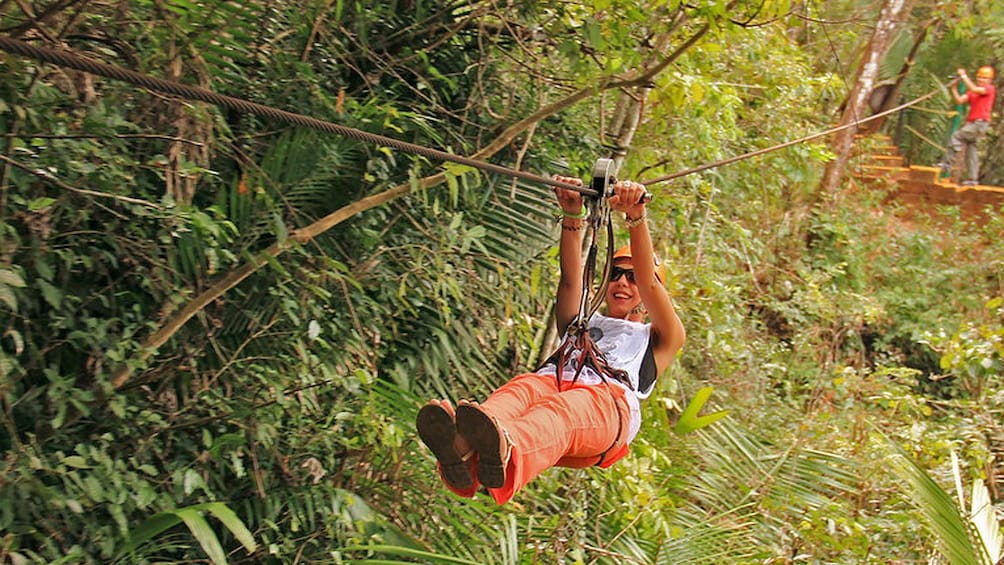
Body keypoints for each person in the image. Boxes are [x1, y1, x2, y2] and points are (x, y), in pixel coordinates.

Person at [415, 176, 686, 505]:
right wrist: (572, 215)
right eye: (615, 273)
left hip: (605, 408)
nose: (622, 282)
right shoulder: (583, 324)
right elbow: (571, 280)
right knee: (525, 388)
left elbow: (651, 283)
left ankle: (509, 447)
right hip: (556, 384)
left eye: (631, 276)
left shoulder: (661, 337)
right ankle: (463, 449)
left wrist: (635, 219)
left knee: (561, 408)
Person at [938, 66, 996, 186]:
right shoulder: (973, 92)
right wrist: (953, 88)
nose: (981, 79)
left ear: (990, 80)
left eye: (984, 78)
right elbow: (960, 100)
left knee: (957, 137)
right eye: (980, 77)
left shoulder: (989, 89)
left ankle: (946, 165)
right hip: (973, 124)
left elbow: (974, 88)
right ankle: (972, 179)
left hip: (980, 123)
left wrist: (964, 76)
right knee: (971, 150)